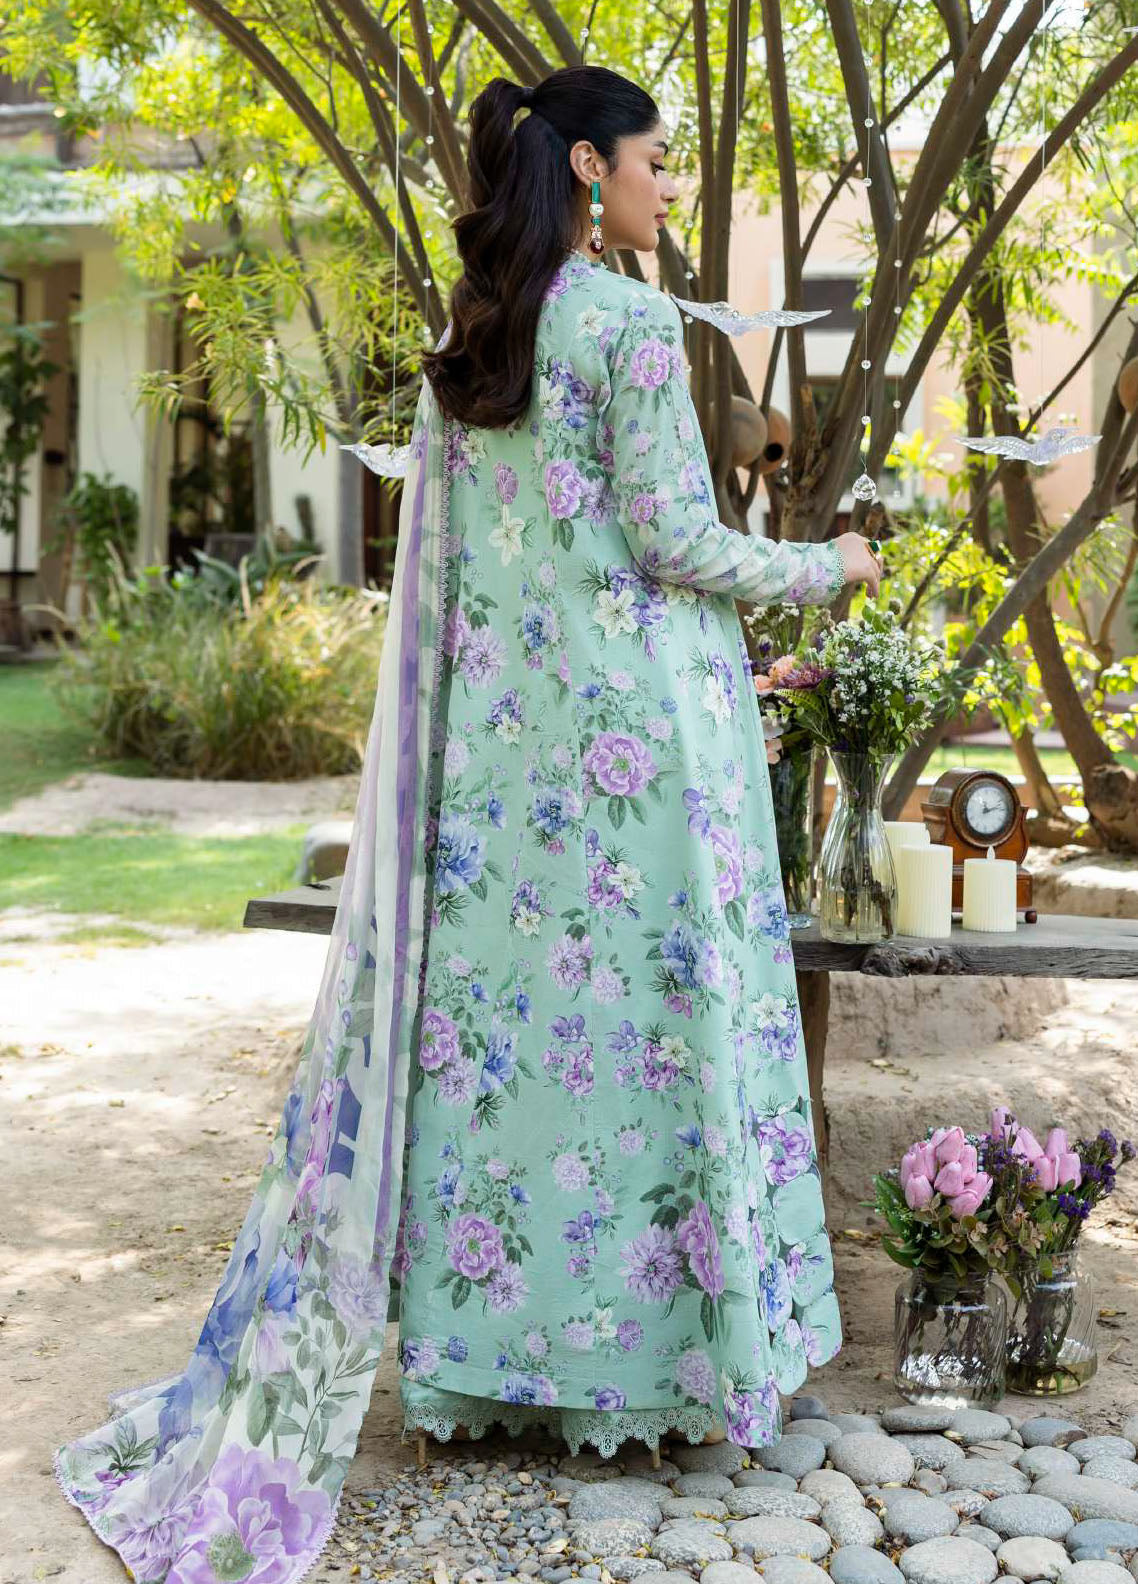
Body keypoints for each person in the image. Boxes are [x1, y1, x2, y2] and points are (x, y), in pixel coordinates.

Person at [52, 63, 882, 1584]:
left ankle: (490, 1366)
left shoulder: (474, 341)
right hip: (640, 770)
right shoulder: (629, 327)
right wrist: (832, 564)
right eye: (653, 161)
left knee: (507, 1054)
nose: (667, 187)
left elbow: (460, 579)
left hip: (499, 786)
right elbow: (673, 542)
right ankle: (654, 1366)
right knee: (646, 1045)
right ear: (588, 169)